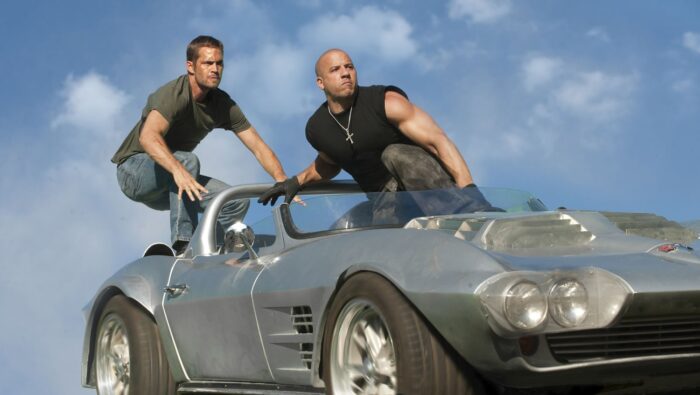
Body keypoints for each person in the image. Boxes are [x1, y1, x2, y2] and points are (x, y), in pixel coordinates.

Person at [259, 48, 493, 219]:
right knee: (381, 255)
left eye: (349, 66)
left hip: (430, 189)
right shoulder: (317, 128)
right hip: (386, 201)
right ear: (321, 83)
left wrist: (472, 195)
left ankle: (466, 217)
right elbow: (330, 162)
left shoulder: (385, 102)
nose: (345, 73)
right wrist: (295, 182)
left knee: (394, 153)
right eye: (335, 69)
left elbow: (437, 141)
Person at [112, 35, 291, 254]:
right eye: (208, 63)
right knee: (187, 161)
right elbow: (148, 137)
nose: (215, 69)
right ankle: (184, 245)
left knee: (234, 200)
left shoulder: (222, 105)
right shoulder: (175, 94)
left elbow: (257, 145)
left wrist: (283, 181)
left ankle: (213, 250)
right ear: (190, 66)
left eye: (219, 63)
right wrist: (178, 170)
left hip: (174, 183)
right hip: (134, 171)